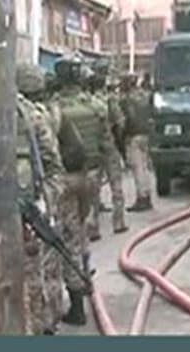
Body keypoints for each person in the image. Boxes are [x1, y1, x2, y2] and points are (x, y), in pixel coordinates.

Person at [16, 63, 68, 335]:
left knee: (32, 279)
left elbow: (52, 167)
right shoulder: (38, 114)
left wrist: (43, 204)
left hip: (26, 214)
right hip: (5, 217)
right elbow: (55, 166)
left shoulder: (30, 115)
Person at [46, 57, 98, 326]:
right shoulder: (67, 110)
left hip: (57, 185)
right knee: (76, 238)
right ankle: (82, 288)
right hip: (81, 177)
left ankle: (61, 311)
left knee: (54, 249)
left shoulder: (40, 114)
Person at [83, 64, 128, 235]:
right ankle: (118, 221)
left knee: (94, 189)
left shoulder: (87, 102)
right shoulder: (109, 100)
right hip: (109, 145)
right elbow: (120, 123)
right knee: (116, 184)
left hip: (93, 149)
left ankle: (93, 225)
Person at [122, 73, 155, 211]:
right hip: (146, 134)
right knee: (145, 167)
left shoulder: (127, 99)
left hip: (134, 135)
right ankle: (147, 195)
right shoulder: (145, 95)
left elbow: (128, 118)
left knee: (138, 168)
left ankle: (141, 198)